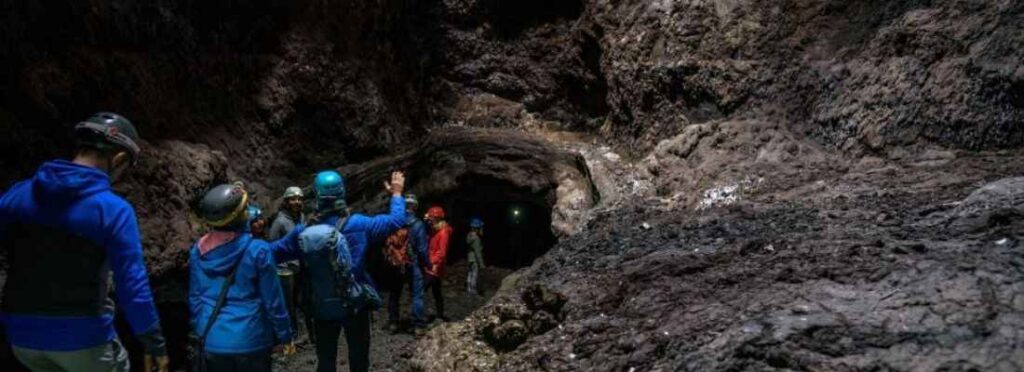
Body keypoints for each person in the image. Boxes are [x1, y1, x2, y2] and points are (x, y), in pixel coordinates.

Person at [0, 112, 168, 372]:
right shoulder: (112, 210)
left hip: (21, 338)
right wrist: (153, 342)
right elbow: (132, 286)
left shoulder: (18, 194)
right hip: (83, 339)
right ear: (119, 158)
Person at [271, 170, 406, 372]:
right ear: (342, 193)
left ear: (316, 197)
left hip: (321, 306)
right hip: (354, 303)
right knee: (359, 359)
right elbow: (397, 220)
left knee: (326, 361)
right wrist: (396, 193)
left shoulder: (303, 232)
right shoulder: (359, 224)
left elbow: (271, 253)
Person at [189, 183, 296, 371]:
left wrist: (203, 329)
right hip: (252, 339)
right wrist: (284, 335)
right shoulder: (258, 251)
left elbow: (195, 297)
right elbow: (273, 301)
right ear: (240, 215)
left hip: (212, 340)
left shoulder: (198, 251)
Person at [385, 194, 430, 334]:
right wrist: (427, 264)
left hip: (396, 263)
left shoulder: (394, 222)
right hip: (412, 263)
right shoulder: (417, 224)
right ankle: (418, 326)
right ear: (415, 207)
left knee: (394, 294)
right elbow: (422, 249)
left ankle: (393, 323)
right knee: (417, 295)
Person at [424, 206, 452, 322]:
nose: (429, 219)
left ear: (436, 218)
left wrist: (432, 263)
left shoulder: (443, 232)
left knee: (421, 290)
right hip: (432, 266)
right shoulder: (435, 229)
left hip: (434, 267)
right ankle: (439, 315)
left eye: (431, 217)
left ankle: (421, 318)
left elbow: (442, 252)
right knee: (437, 291)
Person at [466, 217, 486, 297]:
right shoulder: (476, 238)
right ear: (477, 228)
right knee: (474, 275)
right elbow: (478, 252)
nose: (482, 229)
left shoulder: (469, 235)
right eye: (481, 227)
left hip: (469, 258)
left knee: (470, 274)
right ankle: (473, 292)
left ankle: (469, 290)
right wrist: (482, 264)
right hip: (474, 260)